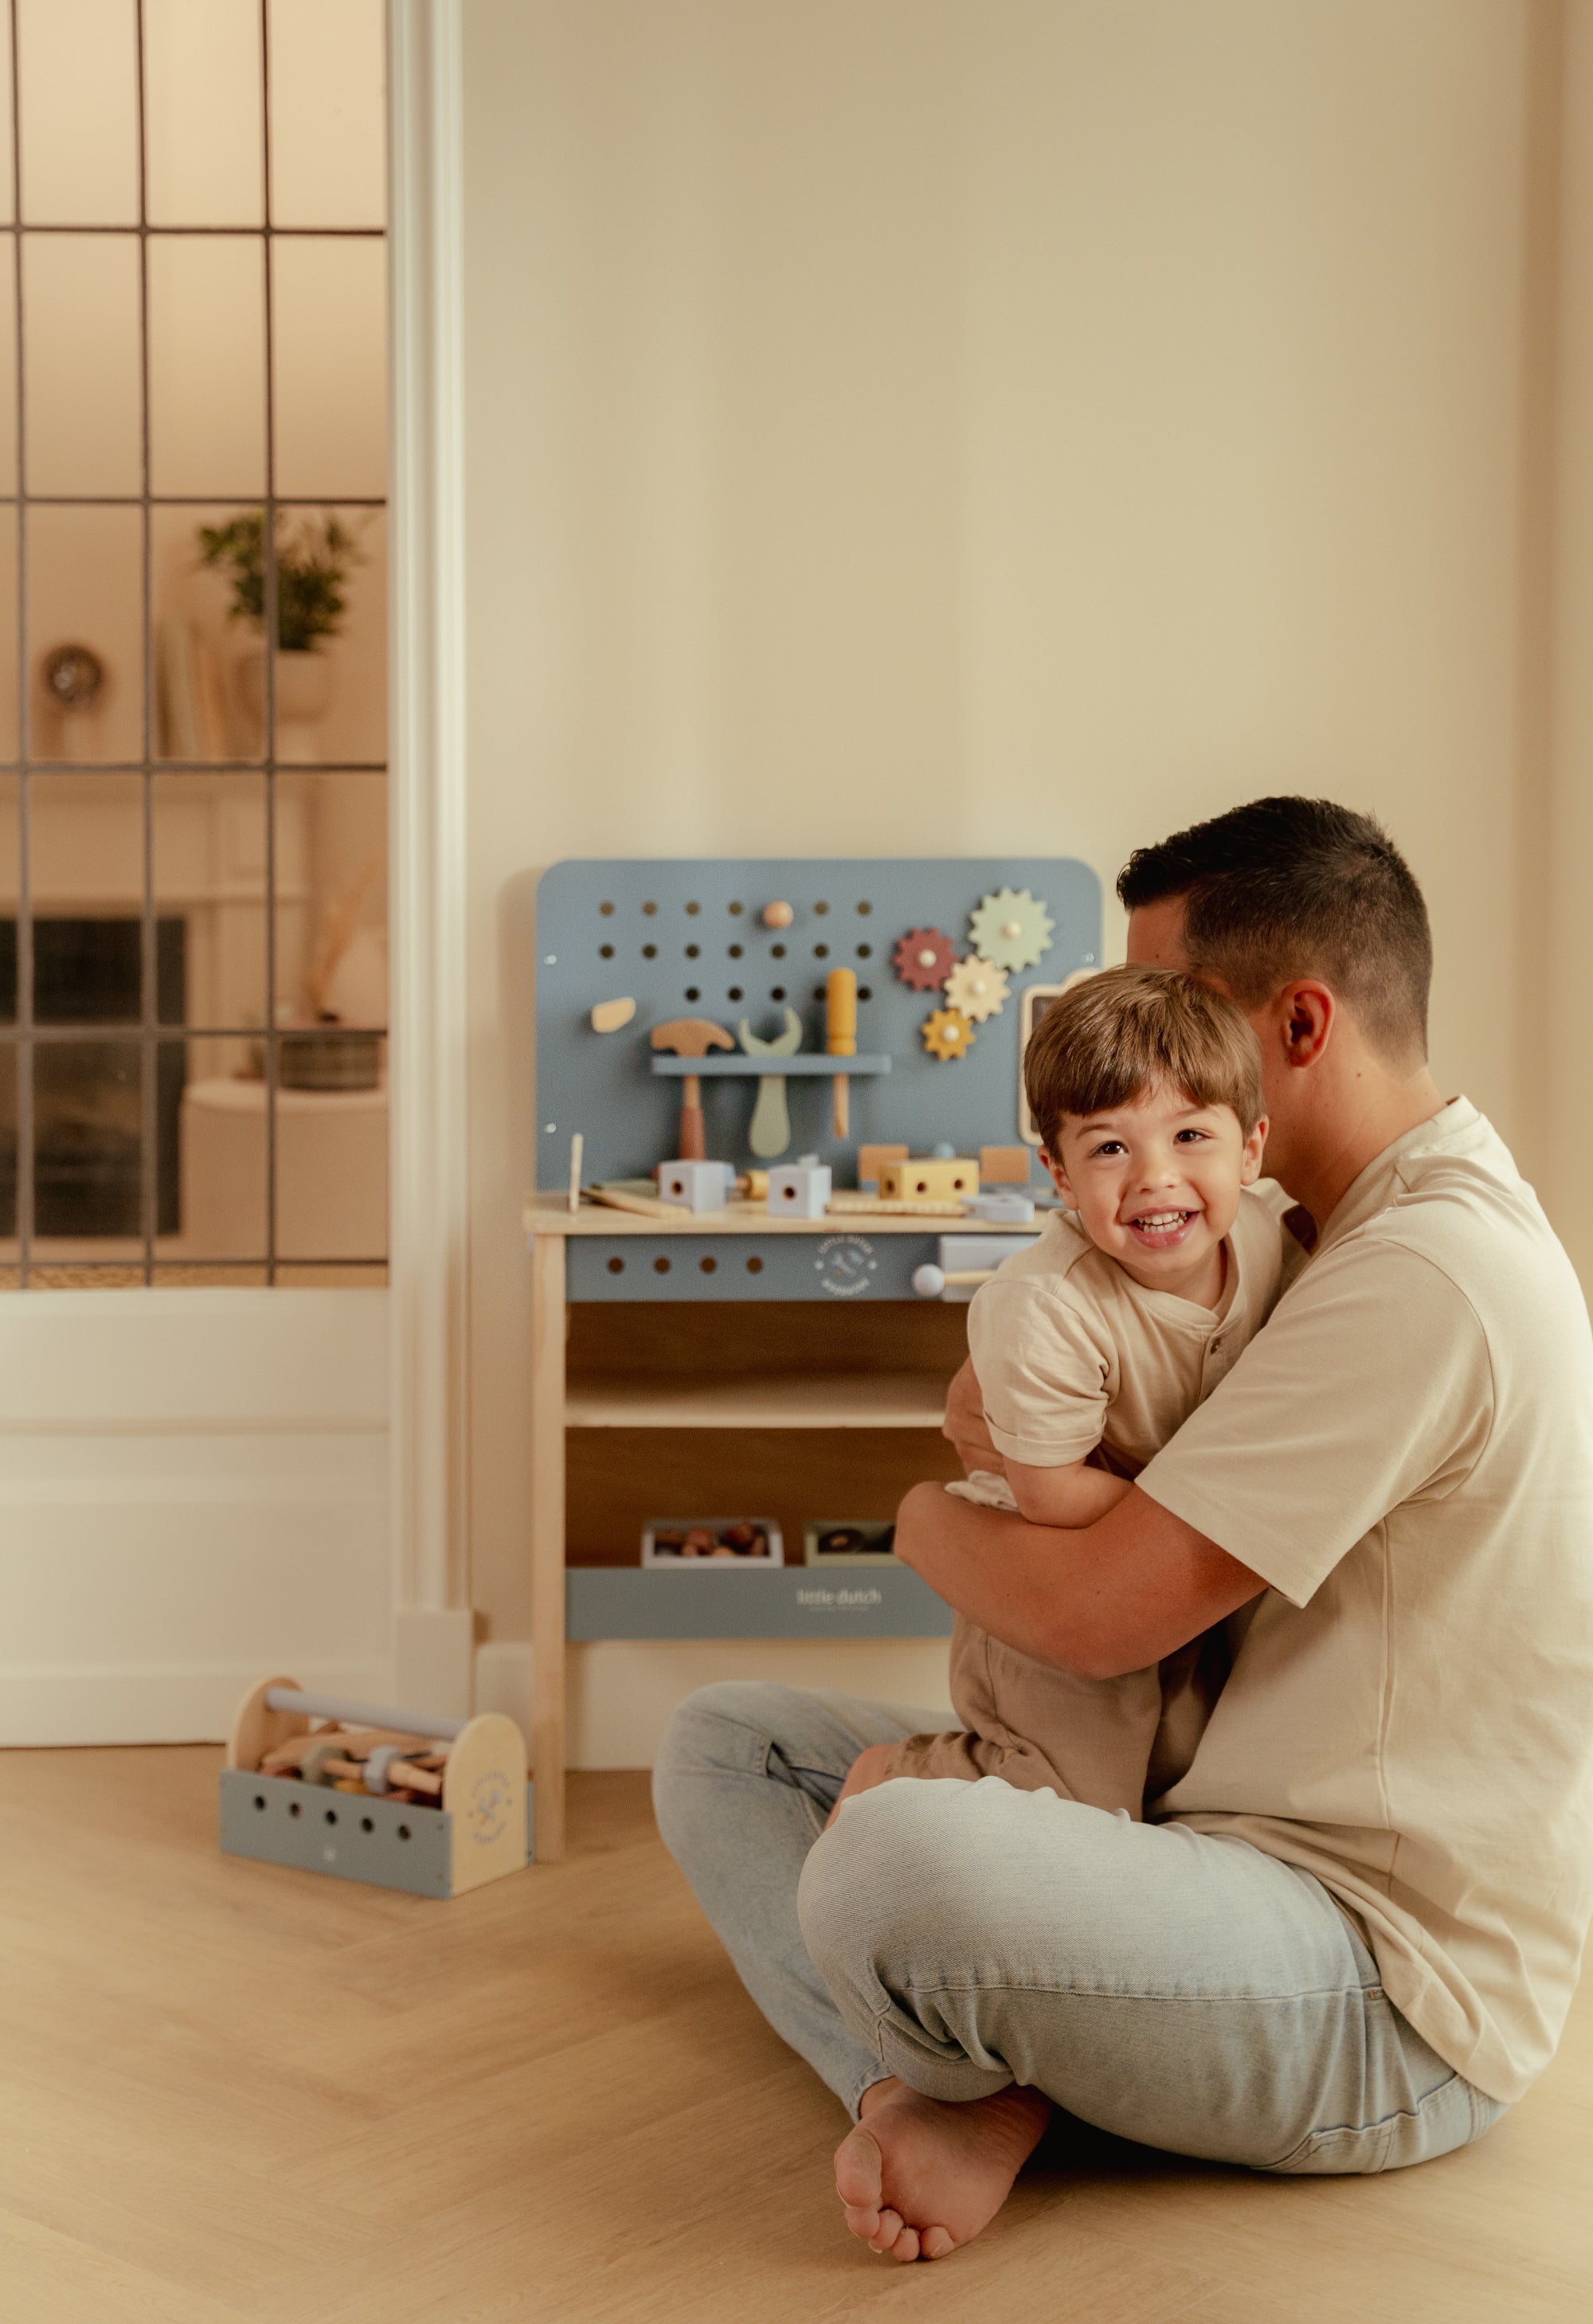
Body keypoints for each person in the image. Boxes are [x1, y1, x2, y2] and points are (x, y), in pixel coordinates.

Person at [652, 797, 1593, 2267]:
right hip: (1183, 1820)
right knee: (726, 1746)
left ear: (1292, 1028)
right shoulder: (1294, 1233)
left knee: (890, 1864)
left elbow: (1096, 1613)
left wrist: (908, 1515)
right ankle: (941, 2089)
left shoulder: (1426, 1270)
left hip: (1374, 1983)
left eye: (1177, 1018)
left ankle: (967, 2078)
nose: (1136, 1055)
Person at [855, 964, 1303, 1814]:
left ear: (1248, 1147)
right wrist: (1192, 1519)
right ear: (1059, 1175)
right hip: (1043, 1548)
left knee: (1169, 1760)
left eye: (1189, 1138)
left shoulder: (1273, 1233)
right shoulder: (1044, 1305)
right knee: (1065, 1793)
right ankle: (897, 1775)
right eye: (1107, 1147)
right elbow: (1049, 1491)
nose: (1153, 1178)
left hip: (1144, 1537)